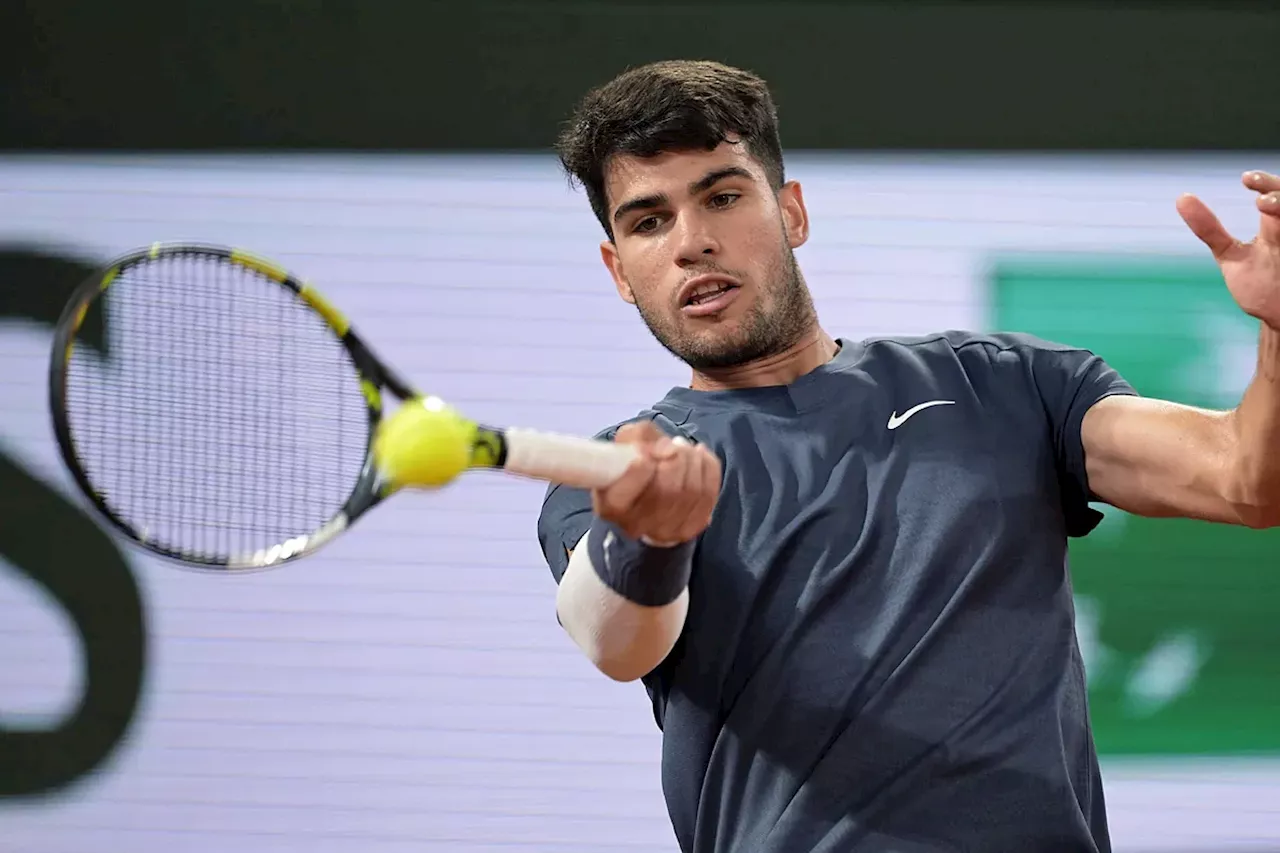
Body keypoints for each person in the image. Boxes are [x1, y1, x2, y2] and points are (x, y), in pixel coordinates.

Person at [535, 59, 1280, 853]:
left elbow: (1246, 479)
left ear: (792, 212)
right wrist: (646, 538)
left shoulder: (1008, 384)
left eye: (722, 196)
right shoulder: (614, 474)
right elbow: (618, 641)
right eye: (648, 221)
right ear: (620, 270)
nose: (692, 243)